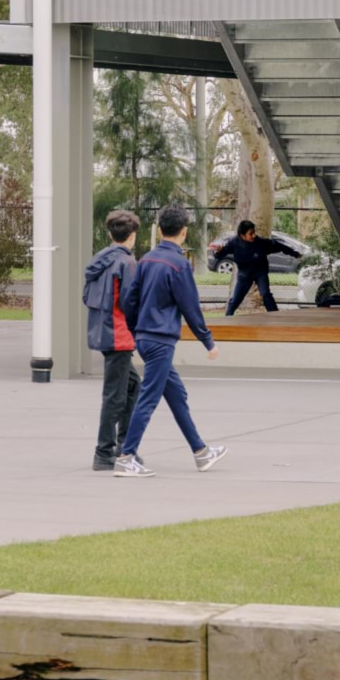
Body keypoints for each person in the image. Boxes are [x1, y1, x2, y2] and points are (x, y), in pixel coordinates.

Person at [115, 204, 226, 478]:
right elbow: (190, 307)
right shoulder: (178, 265)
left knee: (177, 395)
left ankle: (201, 452)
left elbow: (129, 300)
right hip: (161, 341)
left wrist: (135, 329)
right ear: (184, 232)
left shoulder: (146, 260)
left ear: (161, 230)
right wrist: (208, 342)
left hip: (145, 338)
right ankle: (126, 457)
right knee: (148, 399)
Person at [84, 209, 142, 471]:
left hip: (104, 332)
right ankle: (106, 452)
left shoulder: (100, 260)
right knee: (115, 396)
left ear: (110, 234)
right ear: (133, 236)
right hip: (120, 335)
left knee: (132, 386)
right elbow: (132, 301)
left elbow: (88, 297)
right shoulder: (127, 263)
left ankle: (123, 446)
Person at [209, 217, 279, 316]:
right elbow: (220, 254)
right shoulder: (234, 242)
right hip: (244, 275)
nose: (254, 235)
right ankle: (228, 317)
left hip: (260, 273)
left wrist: (294, 252)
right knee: (235, 300)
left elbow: (279, 246)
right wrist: (218, 251)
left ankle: (275, 316)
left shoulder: (260, 242)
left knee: (265, 293)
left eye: (254, 232)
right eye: (250, 234)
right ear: (242, 236)